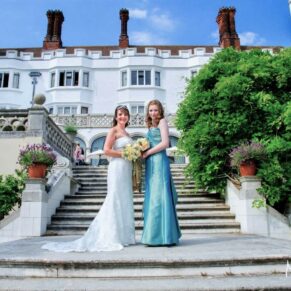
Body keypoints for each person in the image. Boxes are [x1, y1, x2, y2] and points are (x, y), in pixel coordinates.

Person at [42, 105, 135, 252]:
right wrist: (124, 154)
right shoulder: (114, 130)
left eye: (125, 114)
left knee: (124, 198)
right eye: (120, 114)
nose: (122, 117)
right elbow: (106, 150)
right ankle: (111, 236)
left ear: (128, 117)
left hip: (126, 168)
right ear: (116, 117)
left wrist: (133, 154)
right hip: (117, 167)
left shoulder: (127, 132)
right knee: (115, 198)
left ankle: (123, 236)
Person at [141, 100, 181, 246]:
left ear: (160, 111)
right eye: (151, 110)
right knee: (152, 196)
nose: (153, 113)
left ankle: (164, 236)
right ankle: (153, 235)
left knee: (160, 195)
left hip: (159, 161)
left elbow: (165, 143)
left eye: (155, 110)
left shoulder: (163, 122)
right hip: (150, 162)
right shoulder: (150, 125)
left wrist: (147, 153)